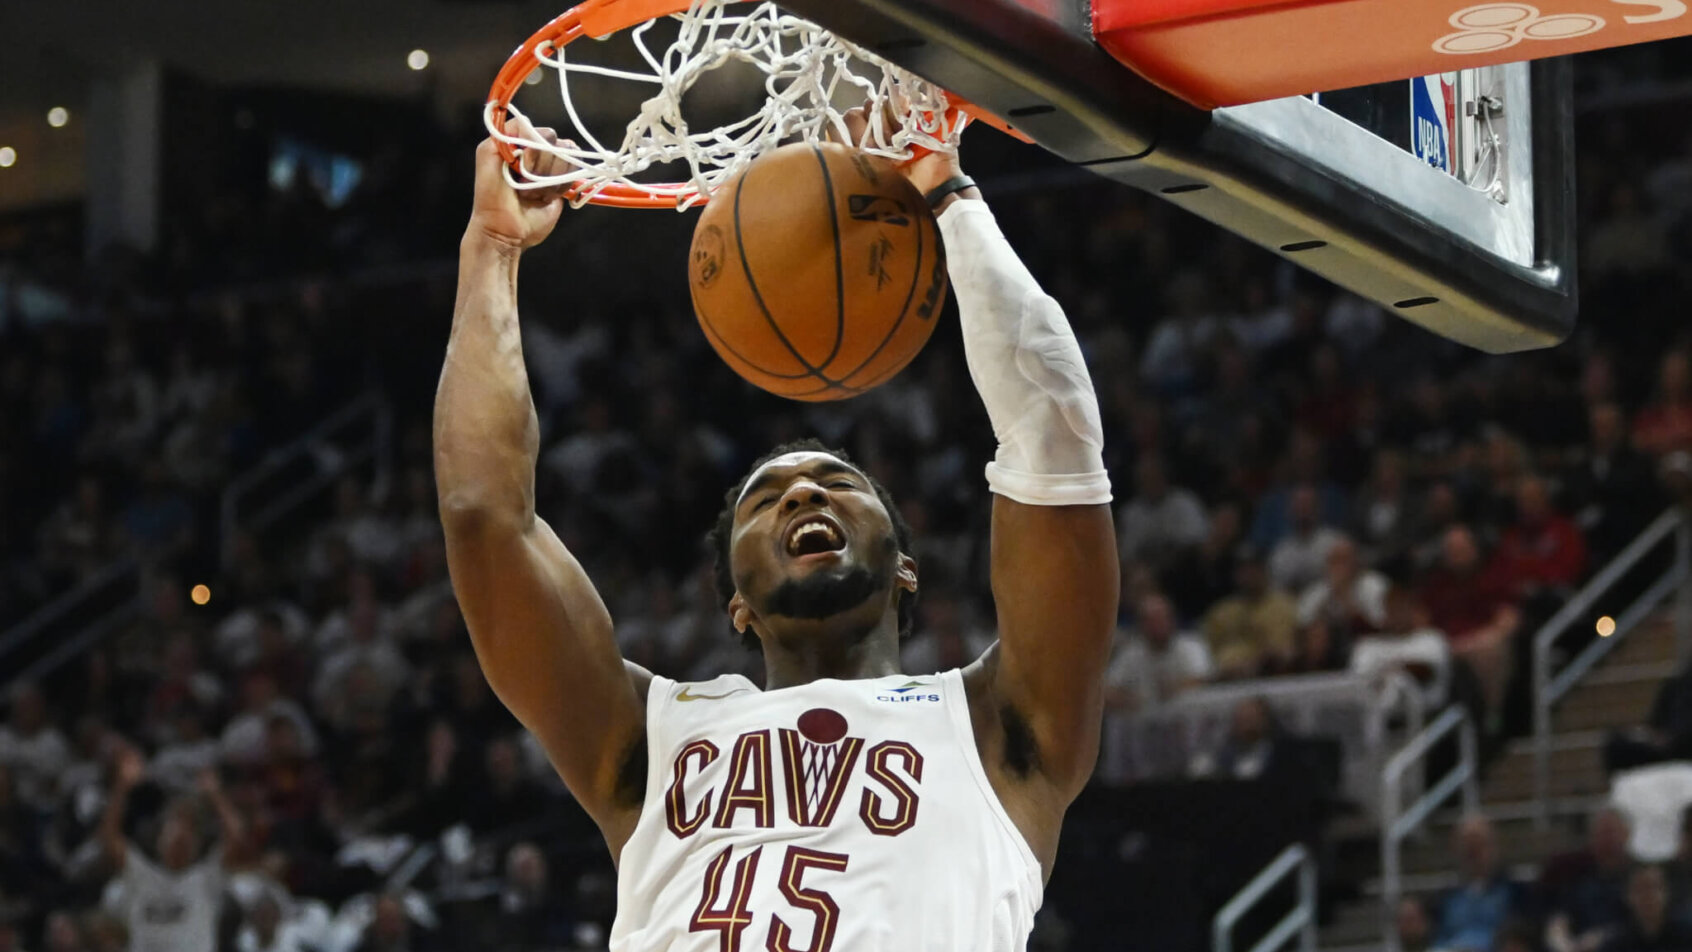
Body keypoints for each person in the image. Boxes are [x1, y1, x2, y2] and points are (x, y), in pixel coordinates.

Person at [436, 115, 1118, 949]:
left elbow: (1054, 434)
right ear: (736, 604)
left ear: (906, 568)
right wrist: (492, 248)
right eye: (765, 501)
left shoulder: (999, 726)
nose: (801, 492)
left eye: (839, 483)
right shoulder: (650, 737)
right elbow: (484, 517)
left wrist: (948, 194)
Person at [98, 749, 244, 952]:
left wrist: (214, 795)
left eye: (188, 833)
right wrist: (122, 788)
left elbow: (236, 836)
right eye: (174, 830)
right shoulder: (140, 873)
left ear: (196, 846)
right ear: (160, 839)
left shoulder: (206, 877)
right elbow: (108, 836)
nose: (180, 837)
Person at [1431, 815, 1530, 952]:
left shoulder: (1514, 892)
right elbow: (1439, 937)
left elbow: (1518, 936)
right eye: (1467, 848)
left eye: (1479, 846)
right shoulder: (1446, 898)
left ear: (1493, 847)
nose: (1473, 854)